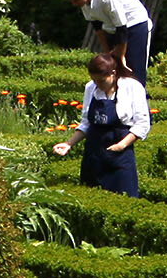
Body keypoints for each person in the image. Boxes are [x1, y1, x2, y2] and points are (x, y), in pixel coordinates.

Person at [52, 52, 151, 197]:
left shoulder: (132, 87)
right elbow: (86, 123)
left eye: (101, 80)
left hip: (120, 156)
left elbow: (142, 124)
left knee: (125, 198)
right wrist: (69, 144)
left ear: (113, 73)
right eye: (94, 80)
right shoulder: (90, 88)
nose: (97, 84)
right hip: (94, 153)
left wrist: (121, 145)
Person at [62, 0, 154, 84]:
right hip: (113, 27)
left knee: (134, 68)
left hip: (135, 24)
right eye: (71, 1)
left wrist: (120, 55)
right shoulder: (84, 1)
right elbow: (98, 28)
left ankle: (139, 95)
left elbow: (122, 28)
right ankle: (117, 96)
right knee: (113, 66)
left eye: (76, 0)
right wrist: (108, 53)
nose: (74, 4)